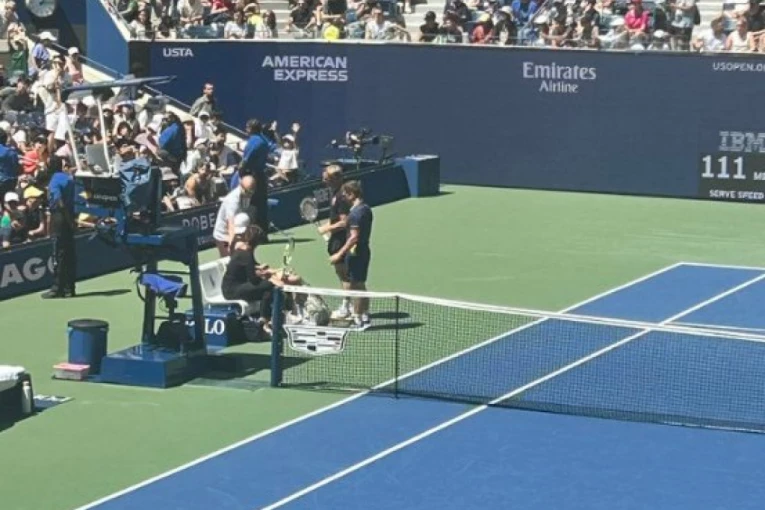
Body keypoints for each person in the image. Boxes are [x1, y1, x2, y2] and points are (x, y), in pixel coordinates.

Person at [329, 180, 373, 329]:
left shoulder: (355, 214)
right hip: (364, 250)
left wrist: (339, 254)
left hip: (355, 254)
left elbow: (353, 237)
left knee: (356, 286)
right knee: (361, 284)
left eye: (345, 195)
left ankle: (358, 319)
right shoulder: (366, 209)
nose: (343, 198)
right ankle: (365, 315)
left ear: (352, 194)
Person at [317, 165, 352, 319]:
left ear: (336, 178)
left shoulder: (342, 197)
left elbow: (345, 222)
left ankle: (346, 306)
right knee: (342, 274)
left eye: (327, 179)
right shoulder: (336, 193)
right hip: (337, 238)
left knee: (344, 275)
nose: (324, 182)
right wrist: (330, 228)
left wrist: (327, 228)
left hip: (342, 240)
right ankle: (350, 305)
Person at [42, 156, 76, 299]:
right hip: (69, 216)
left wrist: (68, 220)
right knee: (69, 254)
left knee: (59, 254)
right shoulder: (69, 178)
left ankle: (58, 288)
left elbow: (59, 202)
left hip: (60, 218)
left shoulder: (54, 180)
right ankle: (69, 288)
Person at [212, 174, 256, 257]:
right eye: (247, 192)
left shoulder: (246, 195)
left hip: (239, 231)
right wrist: (231, 245)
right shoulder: (232, 200)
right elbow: (231, 225)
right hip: (223, 235)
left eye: (251, 192)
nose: (249, 194)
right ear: (241, 186)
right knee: (229, 260)